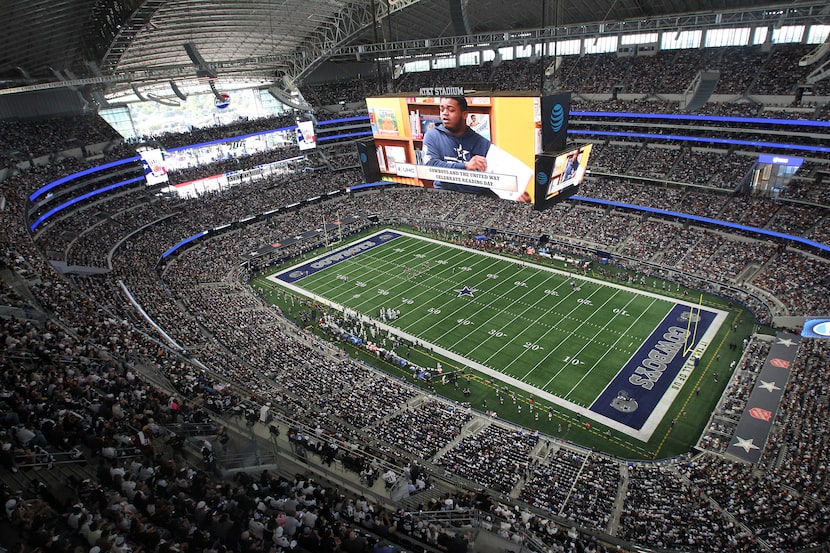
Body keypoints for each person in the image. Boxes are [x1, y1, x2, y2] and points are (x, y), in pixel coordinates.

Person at [421, 96, 494, 195]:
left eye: (451, 110)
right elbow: (430, 167)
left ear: (464, 115)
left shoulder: (482, 142)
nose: (445, 113)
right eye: (442, 109)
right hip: (444, 194)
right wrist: (466, 166)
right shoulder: (432, 136)